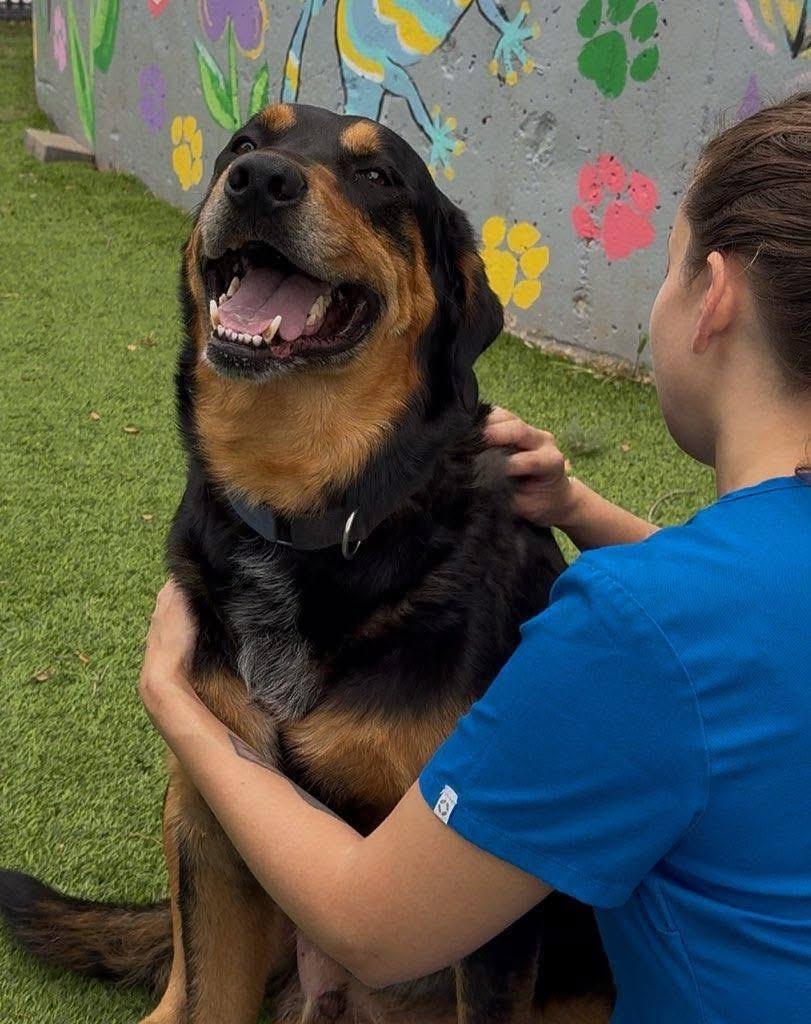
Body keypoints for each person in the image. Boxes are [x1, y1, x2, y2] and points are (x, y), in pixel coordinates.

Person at [139, 93, 811, 1022]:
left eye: (664, 266)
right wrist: (577, 509)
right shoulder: (706, 600)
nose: (263, 172)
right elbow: (748, 633)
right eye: (245, 152)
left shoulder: (628, 626)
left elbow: (374, 925)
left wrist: (178, 705)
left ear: (714, 299)